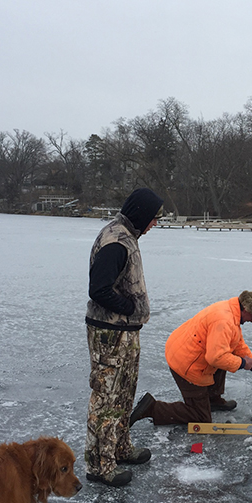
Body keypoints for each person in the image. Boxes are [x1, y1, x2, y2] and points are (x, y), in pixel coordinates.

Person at [84, 187, 164, 487]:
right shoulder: (115, 241)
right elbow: (99, 289)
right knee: (106, 397)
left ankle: (119, 446)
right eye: (154, 218)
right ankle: (99, 465)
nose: (155, 224)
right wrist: (130, 307)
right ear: (141, 215)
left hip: (126, 332)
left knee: (124, 393)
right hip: (110, 334)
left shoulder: (127, 236)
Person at [129, 290, 252, 426]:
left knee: (227, 353)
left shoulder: (231, 310)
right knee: (201, 418)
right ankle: (152, 408)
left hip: (185, 349)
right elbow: (215, 358)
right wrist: (244, 363)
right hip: (186, 363)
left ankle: (212, 399)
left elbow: (237, 342)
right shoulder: (224, 321)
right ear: (246, 310)